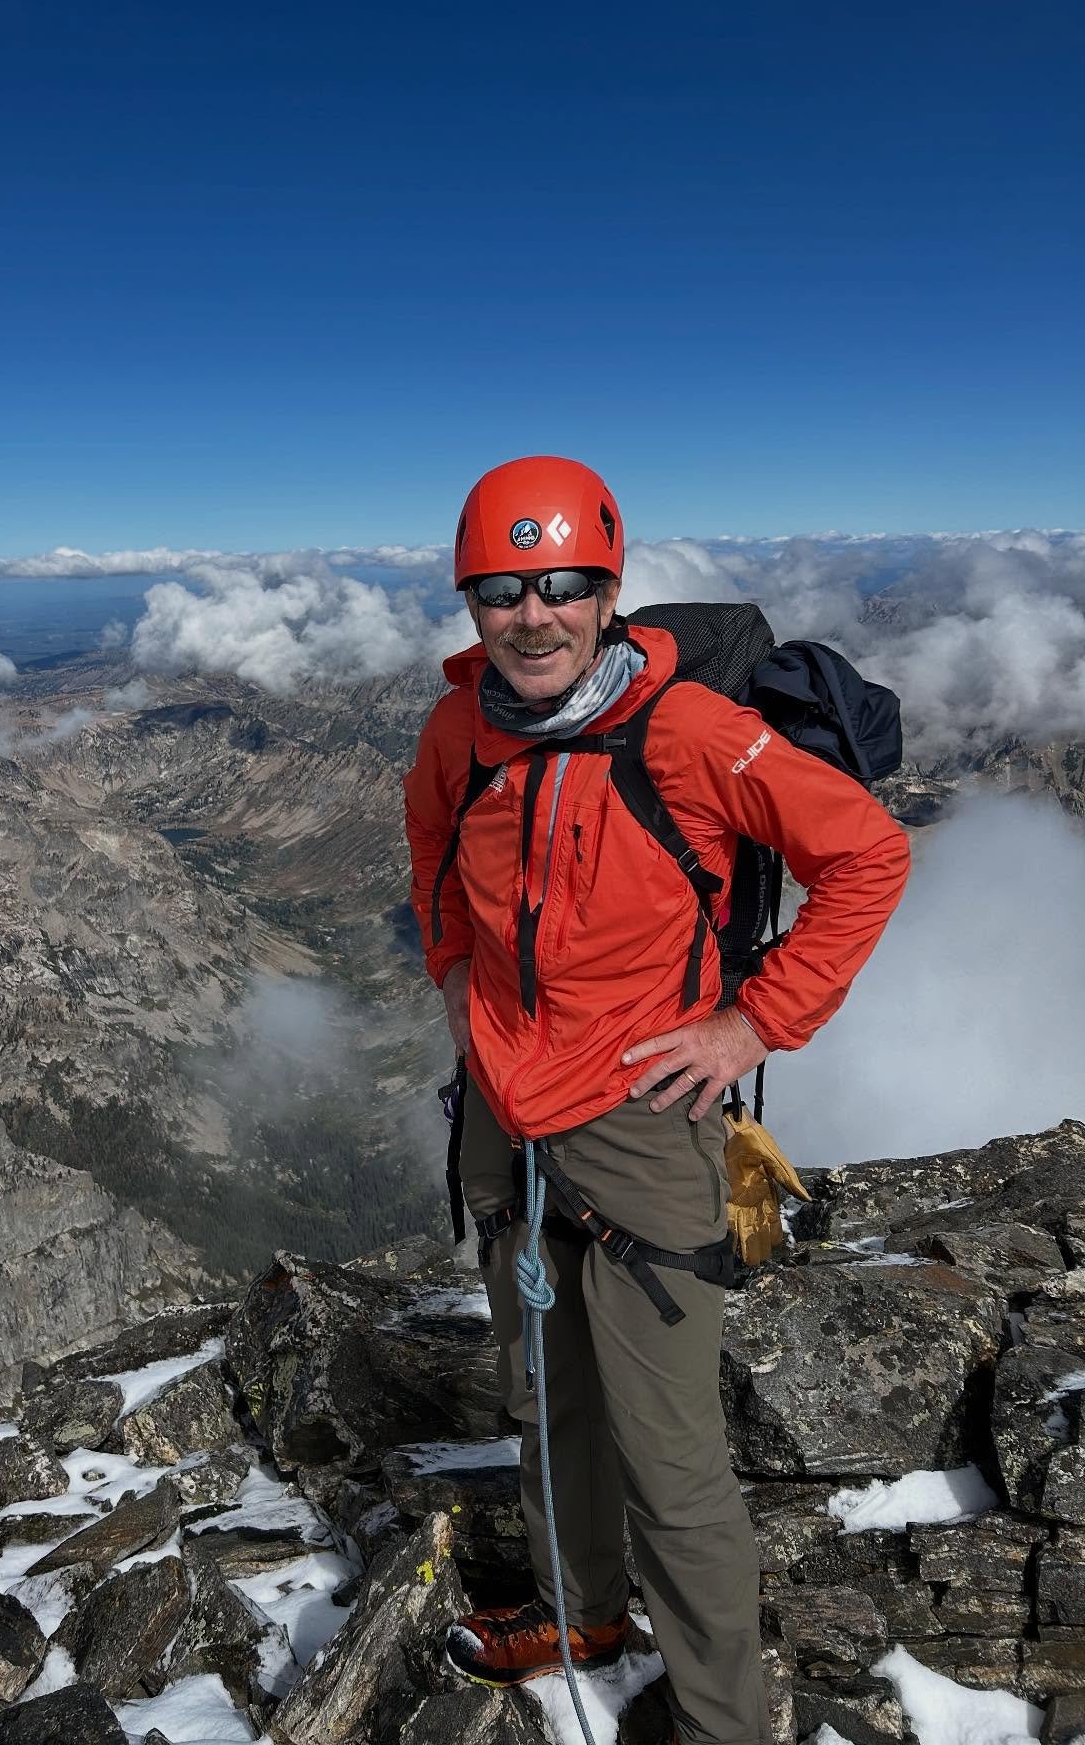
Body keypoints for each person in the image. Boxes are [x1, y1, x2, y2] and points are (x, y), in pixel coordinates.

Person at [403, 455, 911, 1745]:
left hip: (640, 1117)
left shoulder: (688, 732)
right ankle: (581, 1612)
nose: (534, 616)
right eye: (504, 589)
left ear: (609, 591)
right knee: (542, 1390)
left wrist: (754, 1020)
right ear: (472, 603)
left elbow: (865, 852)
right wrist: (458, 977)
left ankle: (722, 1720)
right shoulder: (460, 728)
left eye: (562, 586)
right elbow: (434, 859)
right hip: (502, 1111)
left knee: (672, 1450)